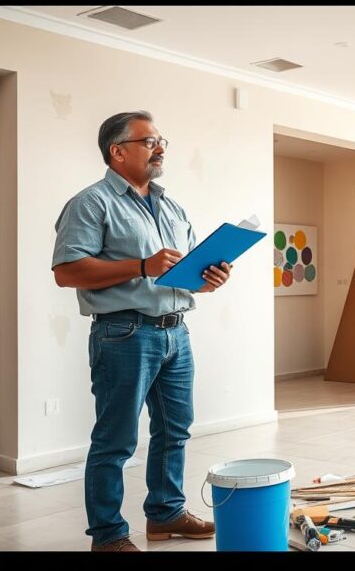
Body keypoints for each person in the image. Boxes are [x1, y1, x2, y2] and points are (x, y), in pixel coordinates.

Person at [52, 110, 232, 552]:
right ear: (117, 152)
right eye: (149, 141)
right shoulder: (91, 203)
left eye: (161, 140)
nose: (161, 148)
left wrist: (208, 279)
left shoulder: (172, 206)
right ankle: (109, 535)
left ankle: (166, 514)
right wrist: (140, 266)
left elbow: (179, 273)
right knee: (115, 439)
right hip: (124, 334)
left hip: (176, 332)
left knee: (175, 430)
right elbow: (66, 271)